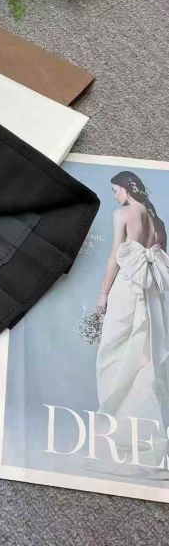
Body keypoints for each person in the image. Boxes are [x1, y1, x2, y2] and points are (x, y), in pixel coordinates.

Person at [95, 171, 169, 471]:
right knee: (147, 355)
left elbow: (115, 256)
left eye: (115, 190)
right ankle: (143, 435)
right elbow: (162, 258)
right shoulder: (159, 222)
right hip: (153, 292)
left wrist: (103, 294)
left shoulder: (123, 214)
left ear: (127, 189)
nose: (115, 195)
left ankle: (122, 435)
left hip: (128, 287)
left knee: (114, 353)